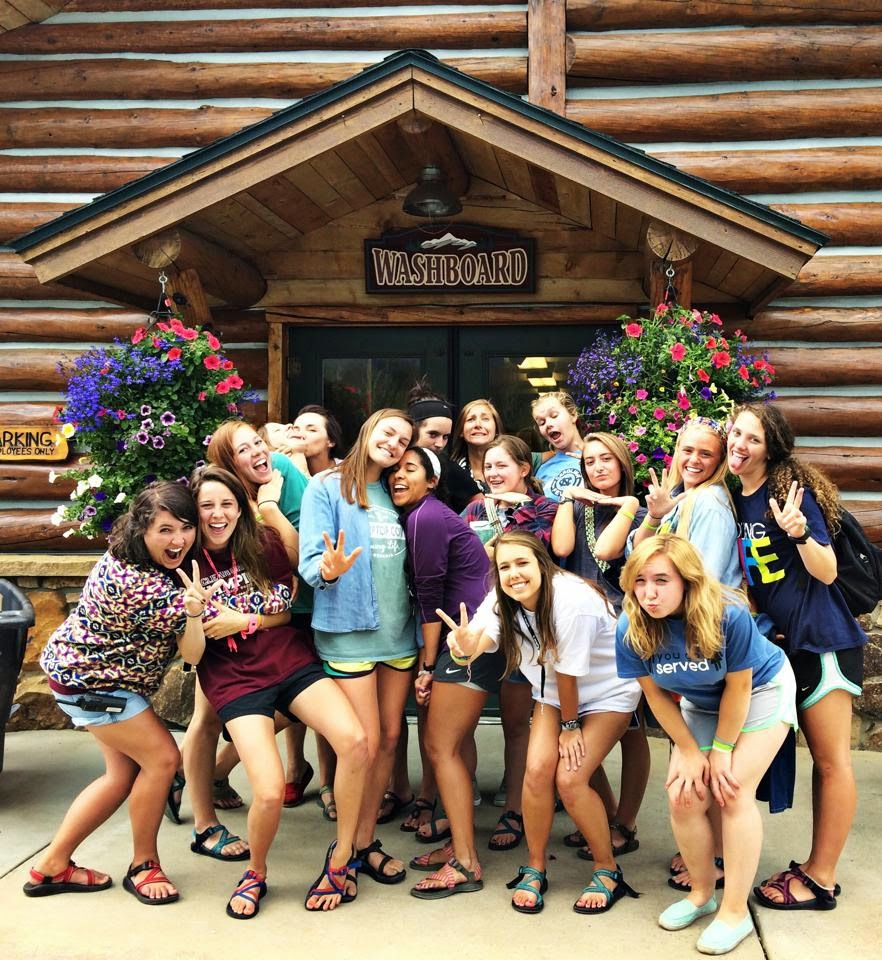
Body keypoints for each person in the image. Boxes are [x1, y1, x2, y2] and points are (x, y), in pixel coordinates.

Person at [189, 465, 368, 916]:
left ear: (241, 507)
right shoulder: (183, 560)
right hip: (234, 678)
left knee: (355, 741)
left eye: (227, 504)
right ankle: (256, 871)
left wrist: (244, 620)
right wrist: (194, 614)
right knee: (268, 791)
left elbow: (285, 611)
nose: (217, 514)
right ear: (194, 510)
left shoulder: (262, 543)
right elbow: (192, 652)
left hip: (288, 661)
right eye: (207, 505)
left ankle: (342, 856)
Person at [434, 531, 641, 914]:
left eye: (522, 563)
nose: (514, 573)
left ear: (542, 564)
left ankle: (607, 869)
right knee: (535, 773)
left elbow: (568, 673)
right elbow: (481, 635)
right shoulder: (503, 598)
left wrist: (570, 727)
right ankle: (535, 865)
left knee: (570, 779)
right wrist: (465, 648)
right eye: (505, 567)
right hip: (553, 694)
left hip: (607, 692)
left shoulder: (571, 600)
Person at [24, 482, 211, 905]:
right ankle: (144, 865)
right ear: (143, 529)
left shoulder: (128, 553)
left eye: (186, 527)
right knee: (163, 760)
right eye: (165, 529)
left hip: (87, 677)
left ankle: (51, 865)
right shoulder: (142, 585)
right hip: (95, 686)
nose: (179, 539)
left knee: (121, 776)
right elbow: (195, 646)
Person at [617, 534, 797, 955]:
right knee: (683, 795)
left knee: (731, 790)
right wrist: (688, 750)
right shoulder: (631, 625)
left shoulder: (727, 614)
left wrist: (720, 751)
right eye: (640, 581)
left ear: (687, 580)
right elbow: (655, 696)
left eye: (661, 580)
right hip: (700, 703)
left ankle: (735, 913)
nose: (649, 593)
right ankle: (702, 894)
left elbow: (739, 688)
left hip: (761, 691)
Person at [727, 403, 865, 912]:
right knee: (819, 763)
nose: (739, 444)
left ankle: (821, 878)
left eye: (753, 439)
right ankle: (814, 867)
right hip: (785, 645)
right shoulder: (739, 497)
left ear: (772, 450)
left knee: (831, 762)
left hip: (823, 642)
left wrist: (800, 531)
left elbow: (826, 571)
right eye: (736, 433)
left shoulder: (789, 491)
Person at [299, 407, 416, 890]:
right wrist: (326, 571)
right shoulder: (325, 487)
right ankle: (342, 852)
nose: (394, 444)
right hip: (349, 632)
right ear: (368, 429)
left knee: (388, 739)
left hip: (398, 633)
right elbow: (310, 561)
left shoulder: (396, 491)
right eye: (388, 433)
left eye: (403, 441)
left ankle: (364, 842)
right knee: (362, 746)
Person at [382, 445, 491, 897]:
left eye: (410, 468)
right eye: (393, 469)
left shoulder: (425, 517)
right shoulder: (423, 515)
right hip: (470, 636)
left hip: (467, 640)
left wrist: (427, 667)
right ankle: (458, 843)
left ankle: (465, 863)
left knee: (439, 745)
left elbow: (429, 598)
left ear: (432, 481)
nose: (398, 475)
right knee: (454, 745)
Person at [551, 431, 650, 862]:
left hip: (624, 631)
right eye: (590, 461)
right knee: (581, 724)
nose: (598, 467)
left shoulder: (640, 511)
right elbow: (561, 548)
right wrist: (566, 499)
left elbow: (619, 558)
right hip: (580, 629)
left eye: (606, 459)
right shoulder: (576, 508)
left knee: (631, 729)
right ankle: (604, 813)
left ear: (622, 463)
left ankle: (625, 822)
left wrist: (623, 506)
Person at [259, 408, 343, 818]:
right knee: (296, 686)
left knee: (322, 687)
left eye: (310, 427)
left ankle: (327, 780)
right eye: (291, 426)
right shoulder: (276, 470)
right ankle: (296, 766)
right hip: (290, 599)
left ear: (330, 440)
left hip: (327, 596)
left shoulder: (338, 475)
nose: (296, 430)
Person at [531, 391, 585, 502]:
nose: (548, 424)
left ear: (573, 414)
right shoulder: (542, 469)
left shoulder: (599, 457)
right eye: (542, 423)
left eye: (554, 416)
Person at [450, 398, 503, 490]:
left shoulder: (512, 470)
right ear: (461, 431)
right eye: (470, 419)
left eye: (485, 419)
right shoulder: (450, 474)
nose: (478, 424)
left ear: (496, 429)